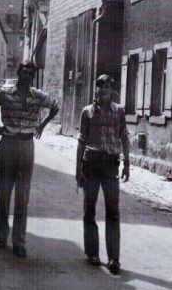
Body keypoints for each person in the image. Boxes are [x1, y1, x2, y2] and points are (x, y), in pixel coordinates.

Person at [0, 60, 60, 258]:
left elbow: (55, 106)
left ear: (33, 76)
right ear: (18, 73)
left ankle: (19, 243)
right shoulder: (5, 94)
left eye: (30, 73)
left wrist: (41, 126)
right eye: (24, 72)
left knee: (23, 195)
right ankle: (2, 236)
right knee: (4, 192)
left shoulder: (38, 96)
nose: (27, 76)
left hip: (26, 145)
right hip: (7, 143)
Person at [76, 74, 130, 275]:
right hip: (90, 164)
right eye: (100, 87)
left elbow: (124, 136)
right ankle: (92, 253)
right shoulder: (87, 112)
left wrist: (127, 163)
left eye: (108, 88)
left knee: (113, 211)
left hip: (110, 165)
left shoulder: (120, 111)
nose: (104, 91)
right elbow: (81, 140)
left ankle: (114, 258)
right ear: (96, 89)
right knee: (89, 209)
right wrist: (77, 169)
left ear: (112, 91)